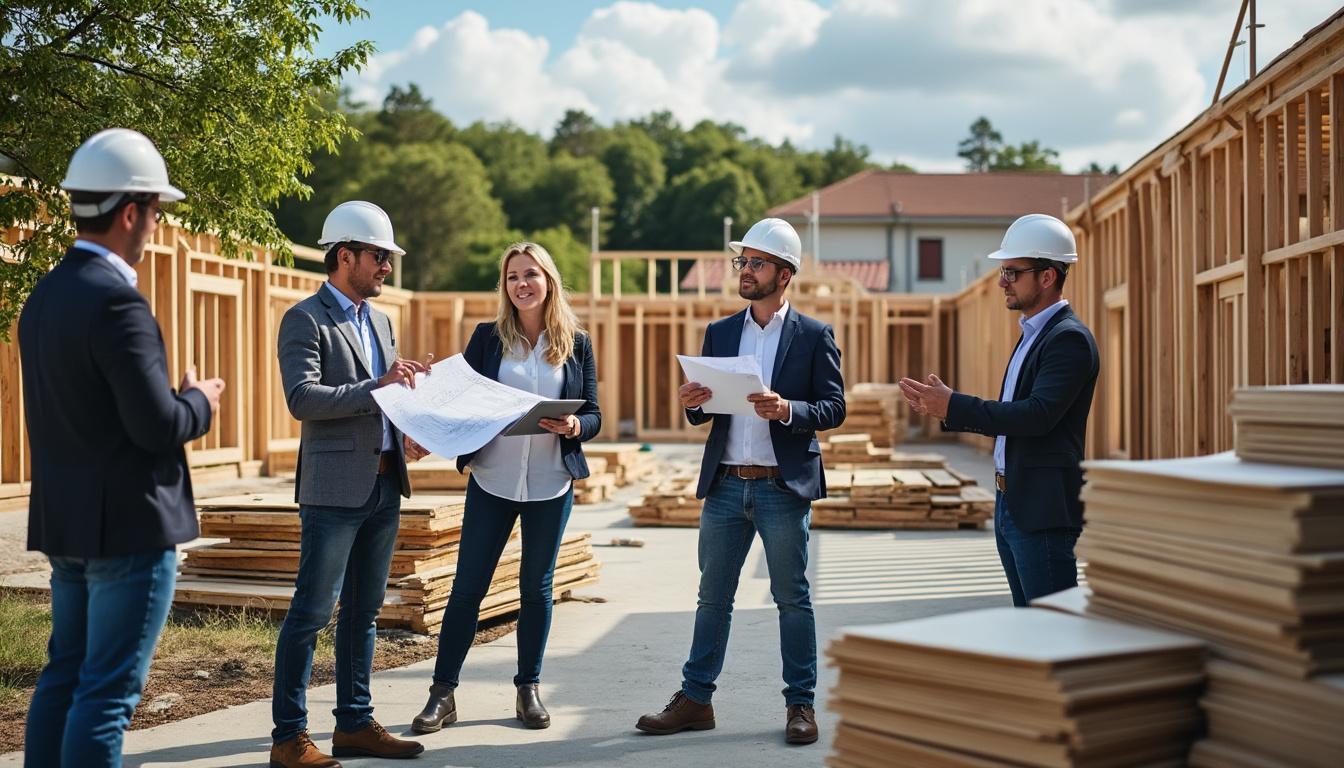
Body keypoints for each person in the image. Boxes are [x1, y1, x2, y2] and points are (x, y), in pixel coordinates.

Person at [19, 128, 226, 768]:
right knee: (107, 695)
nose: (158, 226)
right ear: (131, 212)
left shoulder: (43, 297)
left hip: (66, 525)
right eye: (157, 212)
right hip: (128, 531)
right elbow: (157, 426)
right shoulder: (118, 303)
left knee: (64, 676)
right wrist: (201, 400)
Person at [634, 218, 845, 746]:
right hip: (726, 485)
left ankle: (801, 704)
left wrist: (787, 409)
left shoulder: (815, 335)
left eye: (755, 262)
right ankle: (695, 700)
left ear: (784, 272)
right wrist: (693, 405)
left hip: (781, 487)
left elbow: (835, 407)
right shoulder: (721, 332)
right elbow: (710, 409)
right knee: (712, 597)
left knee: (792, 598)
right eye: (742, 262)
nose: (744, 271)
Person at [412, 241, 600, 734]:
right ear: (506, 286)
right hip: (493, 479)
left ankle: (528, 690)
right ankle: (442, 694)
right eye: (513, 276)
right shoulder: (486, 338)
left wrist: (577, 428)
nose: (522, 284)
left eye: (530, 275)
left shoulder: (576, 343)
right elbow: (459, 400)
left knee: (536, 591)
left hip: (551, 483)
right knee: (467, 588)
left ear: (549, 282)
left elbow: (595, 412)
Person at [270, 201, 430, 768]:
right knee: (312, 613)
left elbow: (383, 399)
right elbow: (302, 398)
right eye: (380, 257)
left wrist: (409, 429)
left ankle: (355, 725)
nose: (387, 267)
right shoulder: (305, 319)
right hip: (333, 493)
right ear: (346, 256)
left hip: (386, 486)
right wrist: (378, 385)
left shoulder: (382, 321)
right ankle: (288, 737)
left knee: (364, 613)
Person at [899, 213, 1099, 608]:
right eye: (1003, 271)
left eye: (1012, 272)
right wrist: (950, 407)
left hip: (1041, 512)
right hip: (1013, 503)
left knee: (1050, 629)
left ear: (1047, 277)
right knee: (1027, 626)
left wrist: (954, 405)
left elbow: (1036, 416)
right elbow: (1017, 412)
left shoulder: (1068, 340)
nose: (1001, 281)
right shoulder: (1035, 334)